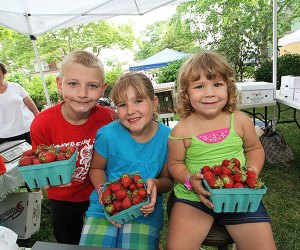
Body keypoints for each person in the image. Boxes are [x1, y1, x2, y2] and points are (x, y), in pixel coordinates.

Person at [167, 51, 276, 250]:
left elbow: (254, 149)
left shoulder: (240, 120)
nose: (210, 93)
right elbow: (175, 164)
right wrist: (190, 179)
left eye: (217, 84)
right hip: (195, 199)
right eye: (199, 86)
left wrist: (251, 171)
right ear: (186, 93)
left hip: (239, 196)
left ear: (229, 88)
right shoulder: (180, 131)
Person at [30, 50, 115, 245]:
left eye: (92, 86)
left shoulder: (110, 118)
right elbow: (40, 166)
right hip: (63, 199)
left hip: (100, 193)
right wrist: (43, 180)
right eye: (73, 84)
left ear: (103, 89)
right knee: (68, 242)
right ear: (60, 85)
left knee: (103, 241)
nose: (82, 94)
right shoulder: (42, 123)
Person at [80, 72, 173, 250]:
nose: (130, 111)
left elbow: (168, 180)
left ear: (154, 103)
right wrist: (103, 193)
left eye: (138, 101)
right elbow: (96, 169)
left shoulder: (167, 137)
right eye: (122, 105)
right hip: (104, 208)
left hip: (145, 211)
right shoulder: (107, 134)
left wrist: (154, 183)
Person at [0, 62, 39, 144]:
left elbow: (33, 109)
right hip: (4, 137)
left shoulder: (15, 86)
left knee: (37, 155)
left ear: (3, 72)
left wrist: (41, 124)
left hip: (28, 131)